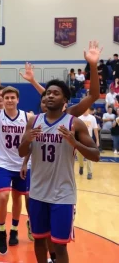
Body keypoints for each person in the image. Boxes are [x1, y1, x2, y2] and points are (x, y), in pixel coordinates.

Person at [19, 79, 100, 263]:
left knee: (59, 245)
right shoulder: (34, 121)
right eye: (48, 93)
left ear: (65, 100)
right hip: (38, 193)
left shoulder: (74, 123)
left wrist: (75, 143)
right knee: (39, 240)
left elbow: (96, 155)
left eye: (55, 93)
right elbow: (21, 152)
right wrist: (27, 140)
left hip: (62, 195)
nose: (50, 96)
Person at [77, 108, 99, 180]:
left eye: (86, 109)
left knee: (89, 156)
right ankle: (81, 166)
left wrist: (97, 140)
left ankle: (89, 172)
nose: (85, 110)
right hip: (80, 139)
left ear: (89, 110)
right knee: (79, 155)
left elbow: (95, 129)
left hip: (89, 140)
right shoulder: (79, 118)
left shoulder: (92, 118)